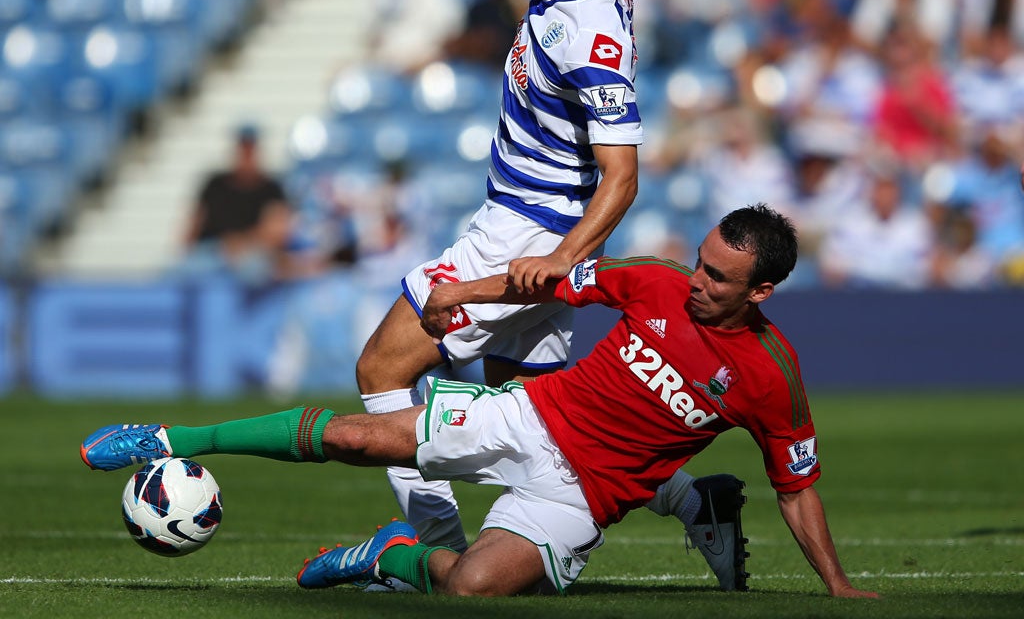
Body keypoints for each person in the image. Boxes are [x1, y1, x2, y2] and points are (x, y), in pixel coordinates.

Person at [80, 204, 878, 599]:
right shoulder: (656, 284)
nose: (698, 283)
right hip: (527, 416)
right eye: (701, 265)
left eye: (719, 279)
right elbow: (552, 278)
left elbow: (796, 485)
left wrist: (836, 587)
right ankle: (164, 436)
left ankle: (386, 556)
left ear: (763, 290)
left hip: (581, 497)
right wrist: (465, 289)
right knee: (358, 437)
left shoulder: (773, 375)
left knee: (467, 588)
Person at [348, 0, 653, 559]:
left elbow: (623, 177)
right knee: (539, 415)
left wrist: (559, 260)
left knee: (382, 371)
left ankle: (437, 549)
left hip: (525, 232)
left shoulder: (588, 39)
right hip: (535, 230)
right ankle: (697, 502)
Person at [180, 123, 293, 284]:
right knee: (184, 269)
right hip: (214, 251)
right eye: (243, 147)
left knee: (254, 269)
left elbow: (278, 233)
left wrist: (241, 244)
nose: (246, 154)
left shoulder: (272, 188)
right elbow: (194, 224)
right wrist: (185, 253)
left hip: (253, 253)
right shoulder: (214, 184)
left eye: (250, 148)